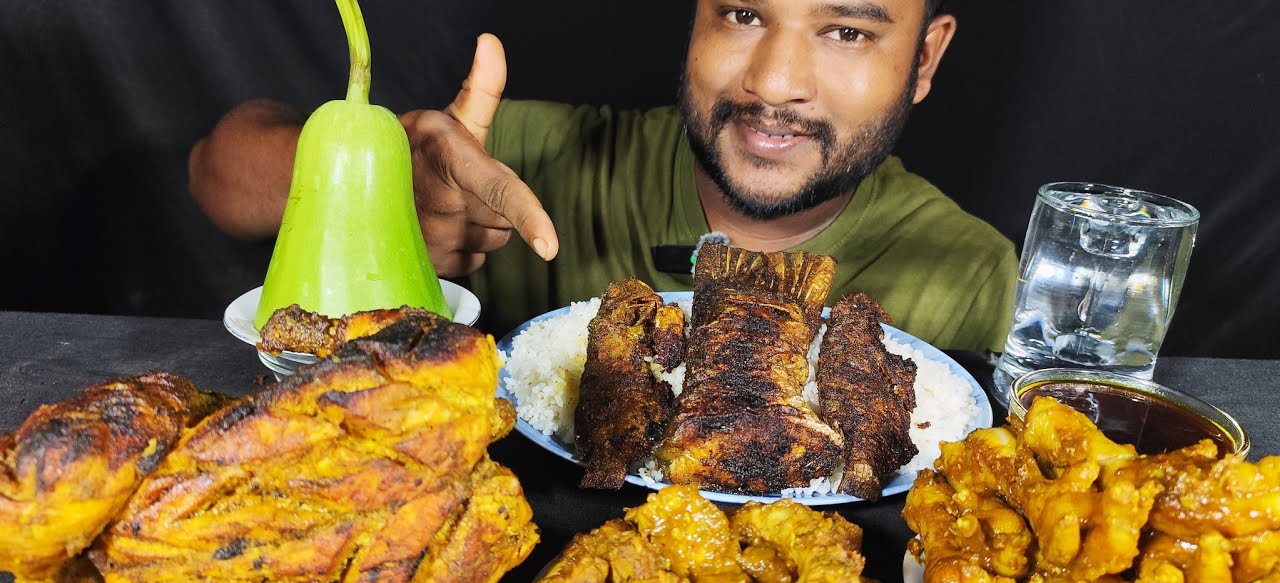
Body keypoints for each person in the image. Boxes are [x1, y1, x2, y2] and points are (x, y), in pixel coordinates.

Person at [189, 0, 1016, 351]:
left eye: (846, 32)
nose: (773, 82)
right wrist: (378, 187)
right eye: (742, 14)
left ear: (925, 57)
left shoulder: (974, 273)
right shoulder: (509, 160)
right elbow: (215, 175)